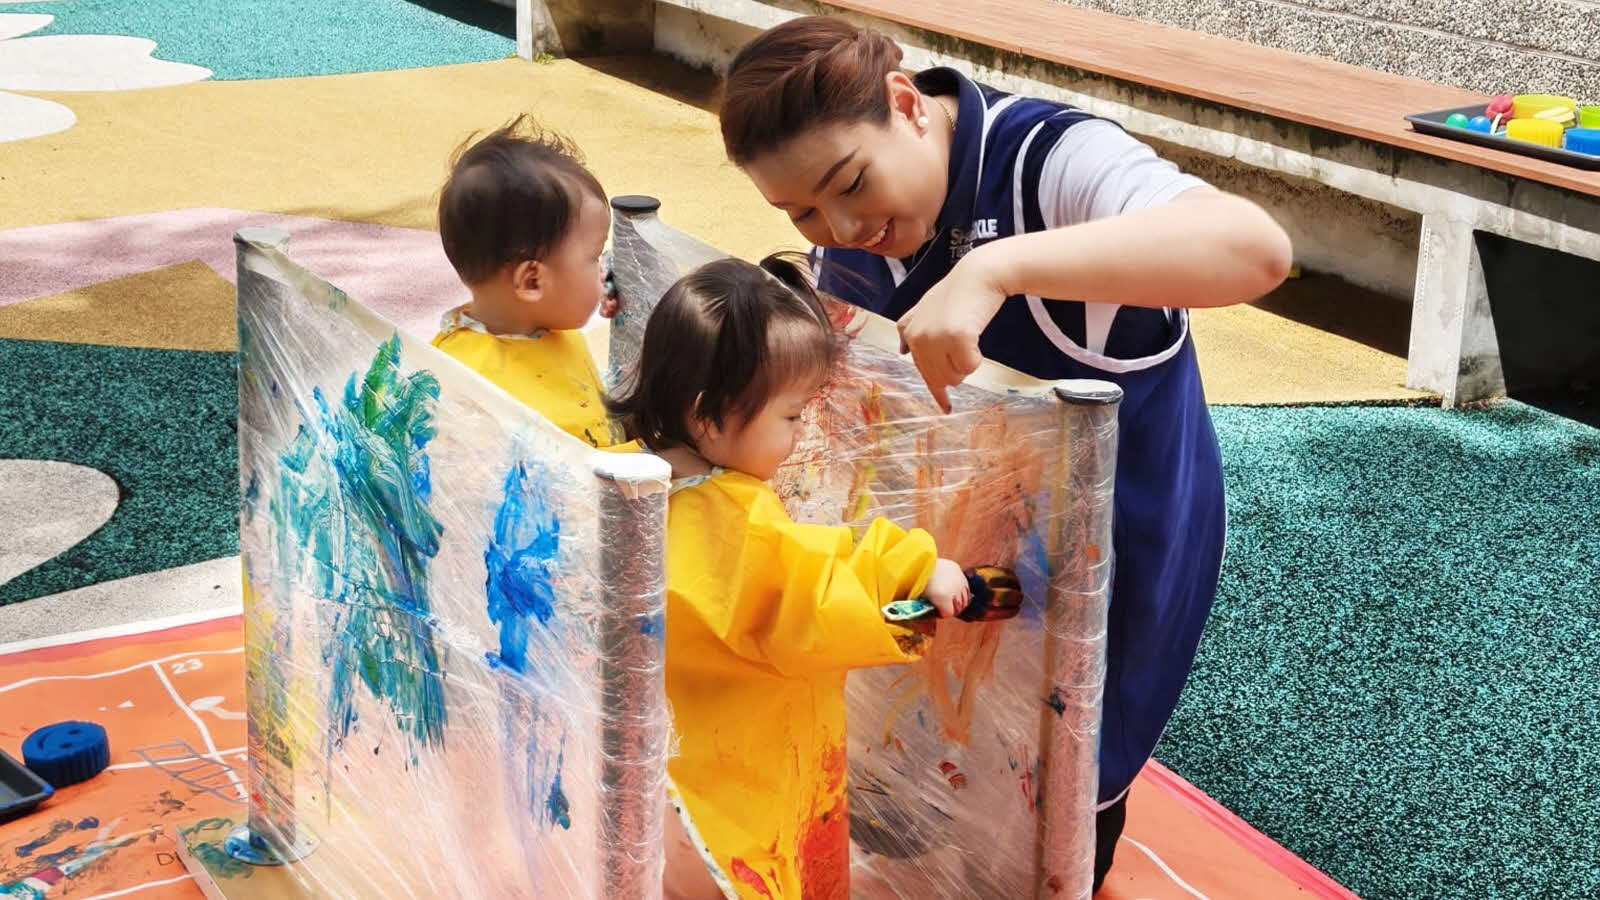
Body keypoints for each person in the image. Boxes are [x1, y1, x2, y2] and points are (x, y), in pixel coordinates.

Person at [718, 16, 1293, 890]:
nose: (839, 226)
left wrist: (998, 269)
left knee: (1052, 819)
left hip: (1111, 554)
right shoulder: (854, 232)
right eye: (800, 209)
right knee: (904, 798)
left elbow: (1256, 250)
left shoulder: (1050, 162)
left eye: (850, 184)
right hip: (949, 557)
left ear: (905, 104)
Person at [606, 253, 971, 899]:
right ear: (709, 416)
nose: (801, 438)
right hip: (744, 783)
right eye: (793, 416)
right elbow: (812, 601)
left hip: (670, 779)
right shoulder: (736, 519)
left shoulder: (630, 477)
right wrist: (914, 575)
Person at [432, 115, 627, 449]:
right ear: (533, 281)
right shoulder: (470, 384)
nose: (605, 272)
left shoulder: (547, 327)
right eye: (595, 256)